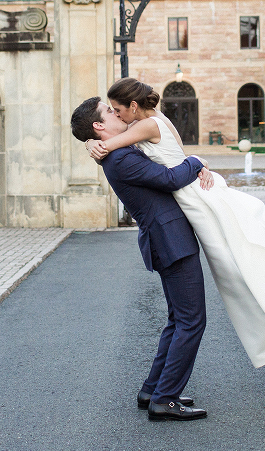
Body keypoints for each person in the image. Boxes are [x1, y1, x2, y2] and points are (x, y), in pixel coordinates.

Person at [86, 78, 265, 369]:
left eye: (117, 109)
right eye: (111, 112)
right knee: (231, 259)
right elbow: (150, 148)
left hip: (192, 194)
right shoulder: (152, 120)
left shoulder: (145, 126)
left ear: (134, 106)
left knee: (237, 256)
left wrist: (94, 144)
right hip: (189, 193)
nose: (116, 115)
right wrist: (91, 139)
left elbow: (111, 145)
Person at [70, 95, 214, 422]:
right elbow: (170, 179)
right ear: (98, 125)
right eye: (110, 111)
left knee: (179, 319)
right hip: (171, 241)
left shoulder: (116, 151)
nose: (117, 112)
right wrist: (196, 160)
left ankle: (154, 390)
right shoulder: (119, 158)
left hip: (167, 239)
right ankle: (165, 399)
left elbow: (155, 125)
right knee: (192, 321)